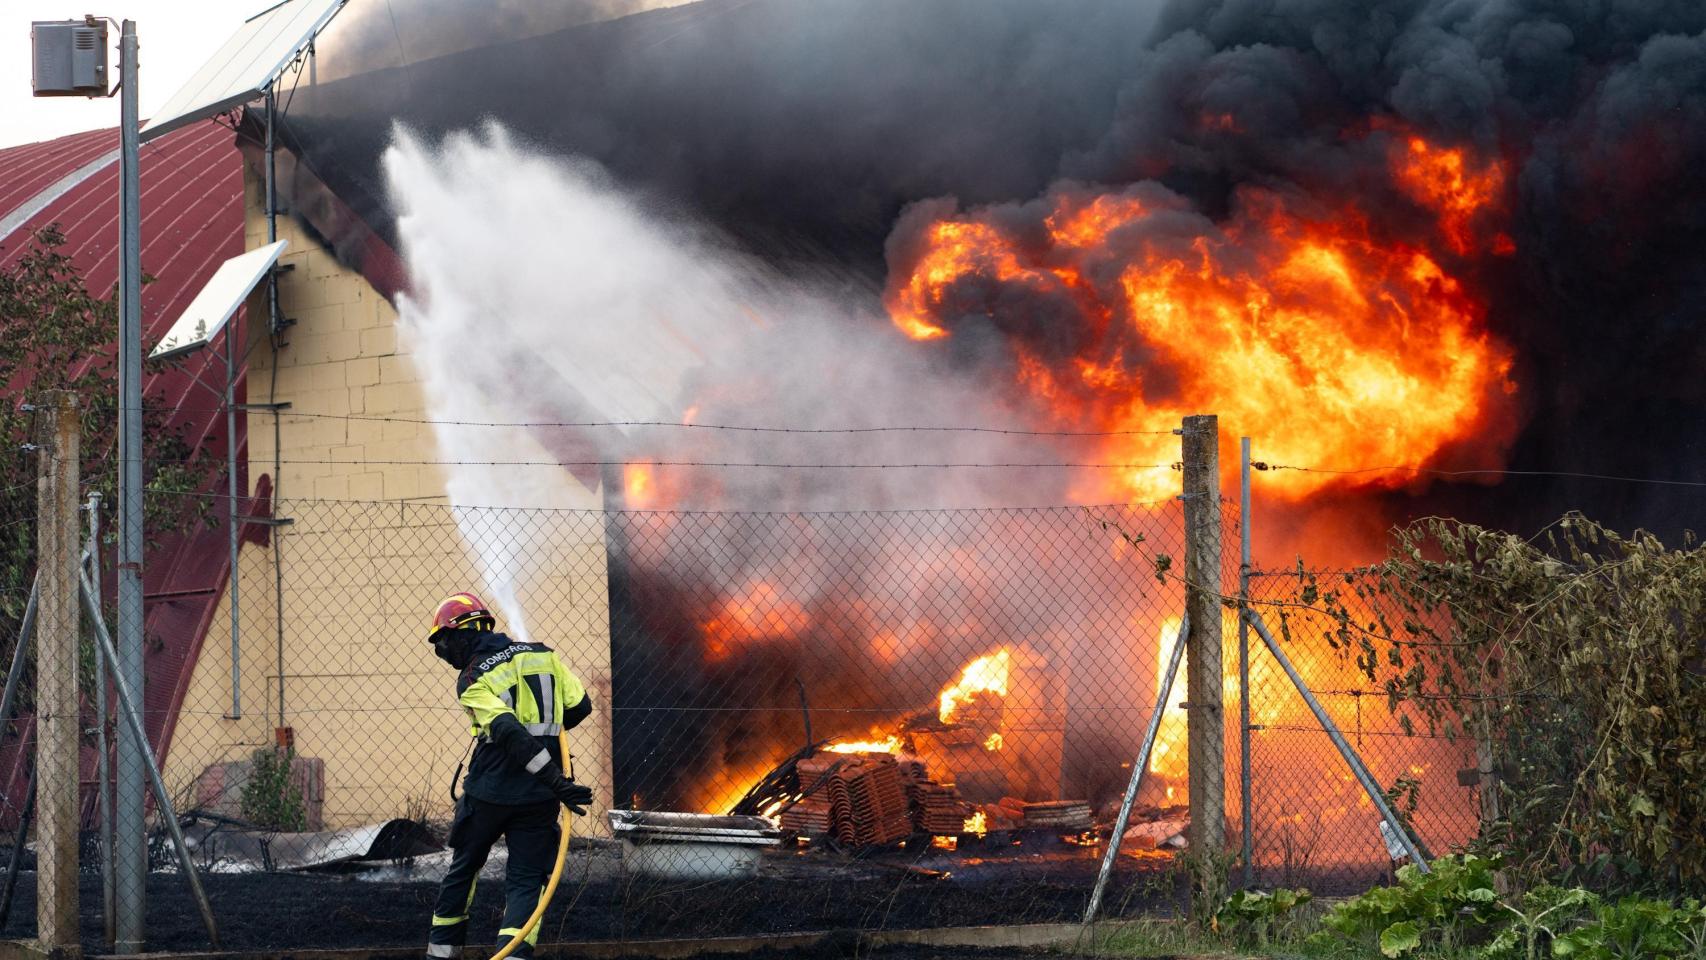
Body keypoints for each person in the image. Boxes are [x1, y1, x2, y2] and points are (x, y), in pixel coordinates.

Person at [423, 592, 593, 960]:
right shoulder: (543, 655)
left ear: (464, 634)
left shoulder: (472, 678)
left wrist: (552, 778)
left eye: (444, 642)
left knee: (465, 869)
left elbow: (509, 732)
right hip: (539, 799)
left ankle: (441, 956)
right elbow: (580, 706)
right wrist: (550, 759)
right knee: (527, 882)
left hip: (489, 793)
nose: (443, 653)